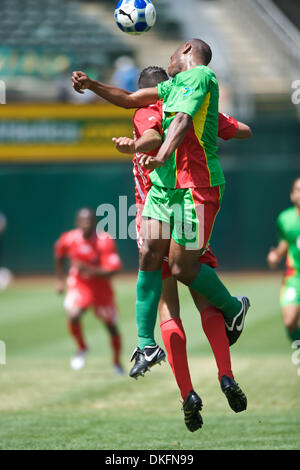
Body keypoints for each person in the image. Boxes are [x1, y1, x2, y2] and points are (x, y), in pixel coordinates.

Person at [72, 40, 251, 426]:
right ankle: (225, 370)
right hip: (179, 203)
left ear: (186, 51)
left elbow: (154, 128)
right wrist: (95, 86)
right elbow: (236, 128)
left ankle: (175, 377)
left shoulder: (166, 100)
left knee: (168, 295)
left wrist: (142, 147)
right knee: (202, 297)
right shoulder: (183, 94)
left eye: (174, 55)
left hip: (178, 199)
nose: (170, 60)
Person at [54, 208, 123, 374]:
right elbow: (59, 252)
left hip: (101, 288)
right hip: (80, 284)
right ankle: (81, 347)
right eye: (83, 220)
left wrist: (89, 269)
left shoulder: (104, 241)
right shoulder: (69, 238)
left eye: (90, 220)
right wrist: (59, 279)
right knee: (73, 314)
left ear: (96, 222)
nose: (87, 223)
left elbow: (114, 269)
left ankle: (116, 362)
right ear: (77, 223)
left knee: (111, 326)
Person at [267, 178, 300, 377]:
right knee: (289, 321)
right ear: (291, 195)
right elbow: (286, 243)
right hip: (294, 275)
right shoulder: (285, 218)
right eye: (297, 189)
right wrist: (276, 255)